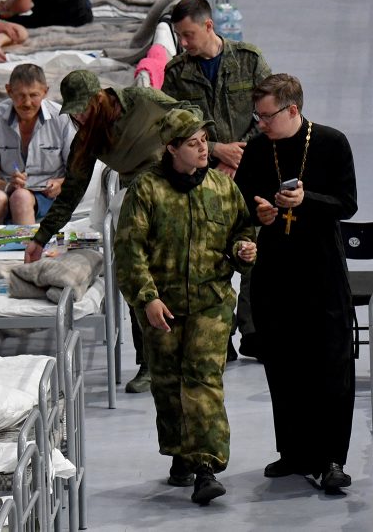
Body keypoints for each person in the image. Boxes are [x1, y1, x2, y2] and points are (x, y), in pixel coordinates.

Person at [114, 108, 256, 505]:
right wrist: (147, 298)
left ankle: (206, 467)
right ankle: (179, 454)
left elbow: (242, 230)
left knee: (203, 382)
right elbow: (129, 252)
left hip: (212, 302)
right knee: (168, 384)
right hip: (164, 306)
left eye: (205, 141)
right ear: (171, 148)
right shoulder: (147, 190)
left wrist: (244, 250)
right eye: (193, 144)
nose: (203, 149)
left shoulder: (222, 188)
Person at [24, 70, 196, 393]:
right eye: (73, 111)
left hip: (173, 189)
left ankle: (187, 356)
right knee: (138, 282)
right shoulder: (89, 138)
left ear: (100, 96)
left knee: (179, 275)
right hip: (135, 203)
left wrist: (180, 150)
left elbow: (191, 114)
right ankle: (150, 364)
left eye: (83, 107)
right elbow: (71, 193)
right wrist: (40, 237)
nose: (79, 115)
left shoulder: (142, 101)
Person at [234, 73, 358, 493]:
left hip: (321, 269)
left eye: (267, 116)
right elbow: (242, 201)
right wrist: (261, 214)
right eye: (258, 116)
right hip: (275, 271)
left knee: (329, 366)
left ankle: (332, 459)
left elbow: (347, 202)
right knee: (283, 364)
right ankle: (293, 452)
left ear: (292, 110)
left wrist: (308, 201)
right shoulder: (256, 149)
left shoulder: (330, 142)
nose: (261, 124)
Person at [162, 0, 271, 362]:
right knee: (210, 253)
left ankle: (253, 331)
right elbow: (173, 127)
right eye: (180, 37)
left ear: (209, 26)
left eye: (189, 34)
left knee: (254, 250)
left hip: (249, 170)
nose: (184, 43)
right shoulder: (177, 73)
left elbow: (268, 117)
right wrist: (218, 150)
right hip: (202, 176)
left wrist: (242, 154)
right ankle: (217, 331)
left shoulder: (248, 61)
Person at [0, 63, 75, 225]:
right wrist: (8, 186)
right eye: (20, 95)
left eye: (34, 95)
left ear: (45, 92)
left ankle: (26, 249)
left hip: (46, 195)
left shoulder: (62, 118)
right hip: (7, 189)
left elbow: (78, 172)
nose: (27, 103)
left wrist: (60, 184)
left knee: (21, 198)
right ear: (9, 91)